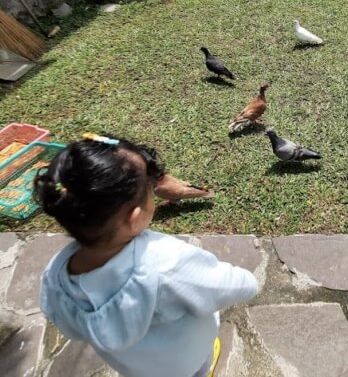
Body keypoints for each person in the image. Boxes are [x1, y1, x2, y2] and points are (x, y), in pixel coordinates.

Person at [36, 134, 258, 377]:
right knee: (198, 369)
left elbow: (65, 323)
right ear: (135, 217)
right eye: (151, 191)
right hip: (184, 360)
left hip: (136, 368)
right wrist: (248, 281)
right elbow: (224, 285)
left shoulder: (55, 274)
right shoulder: (166, 263)